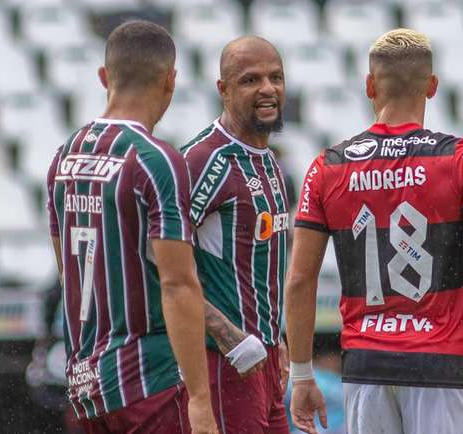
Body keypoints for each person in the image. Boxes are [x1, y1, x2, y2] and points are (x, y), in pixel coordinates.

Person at [284, 28, 463, 434]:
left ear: (369, 85)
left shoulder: (327, 166)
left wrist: (300, 374)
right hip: (442, 366)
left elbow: (300, 279)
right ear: (433, 86)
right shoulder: (462, 158)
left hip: (366, 365)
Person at [45, 20, 217, 434]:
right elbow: (178, 283)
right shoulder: (156, 161)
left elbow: (67, 271)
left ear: (104, 77)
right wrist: (200, 399)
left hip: (87, 384)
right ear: (170, 80)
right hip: (145, 381)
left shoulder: (63, 157)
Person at [180, 35, 291, 434]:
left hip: (266, 363)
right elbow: (154, 254)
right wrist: (226, 334)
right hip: (224, 365)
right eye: (250, 80)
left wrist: (277, 339)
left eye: (275, 77)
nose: (267, 89)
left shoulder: (270, 161)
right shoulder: (205, 160)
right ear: (223, 90)